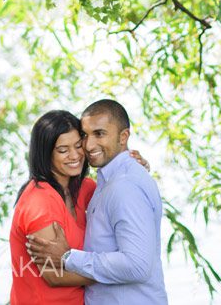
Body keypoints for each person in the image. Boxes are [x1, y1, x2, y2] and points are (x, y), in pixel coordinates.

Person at [27, 99, 168, 304]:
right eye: (84, 135)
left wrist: (68, 257)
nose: (88, 145)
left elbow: (137, 265)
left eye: (99, 134)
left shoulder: (124, 186)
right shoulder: (103, 184)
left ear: (123, 137)